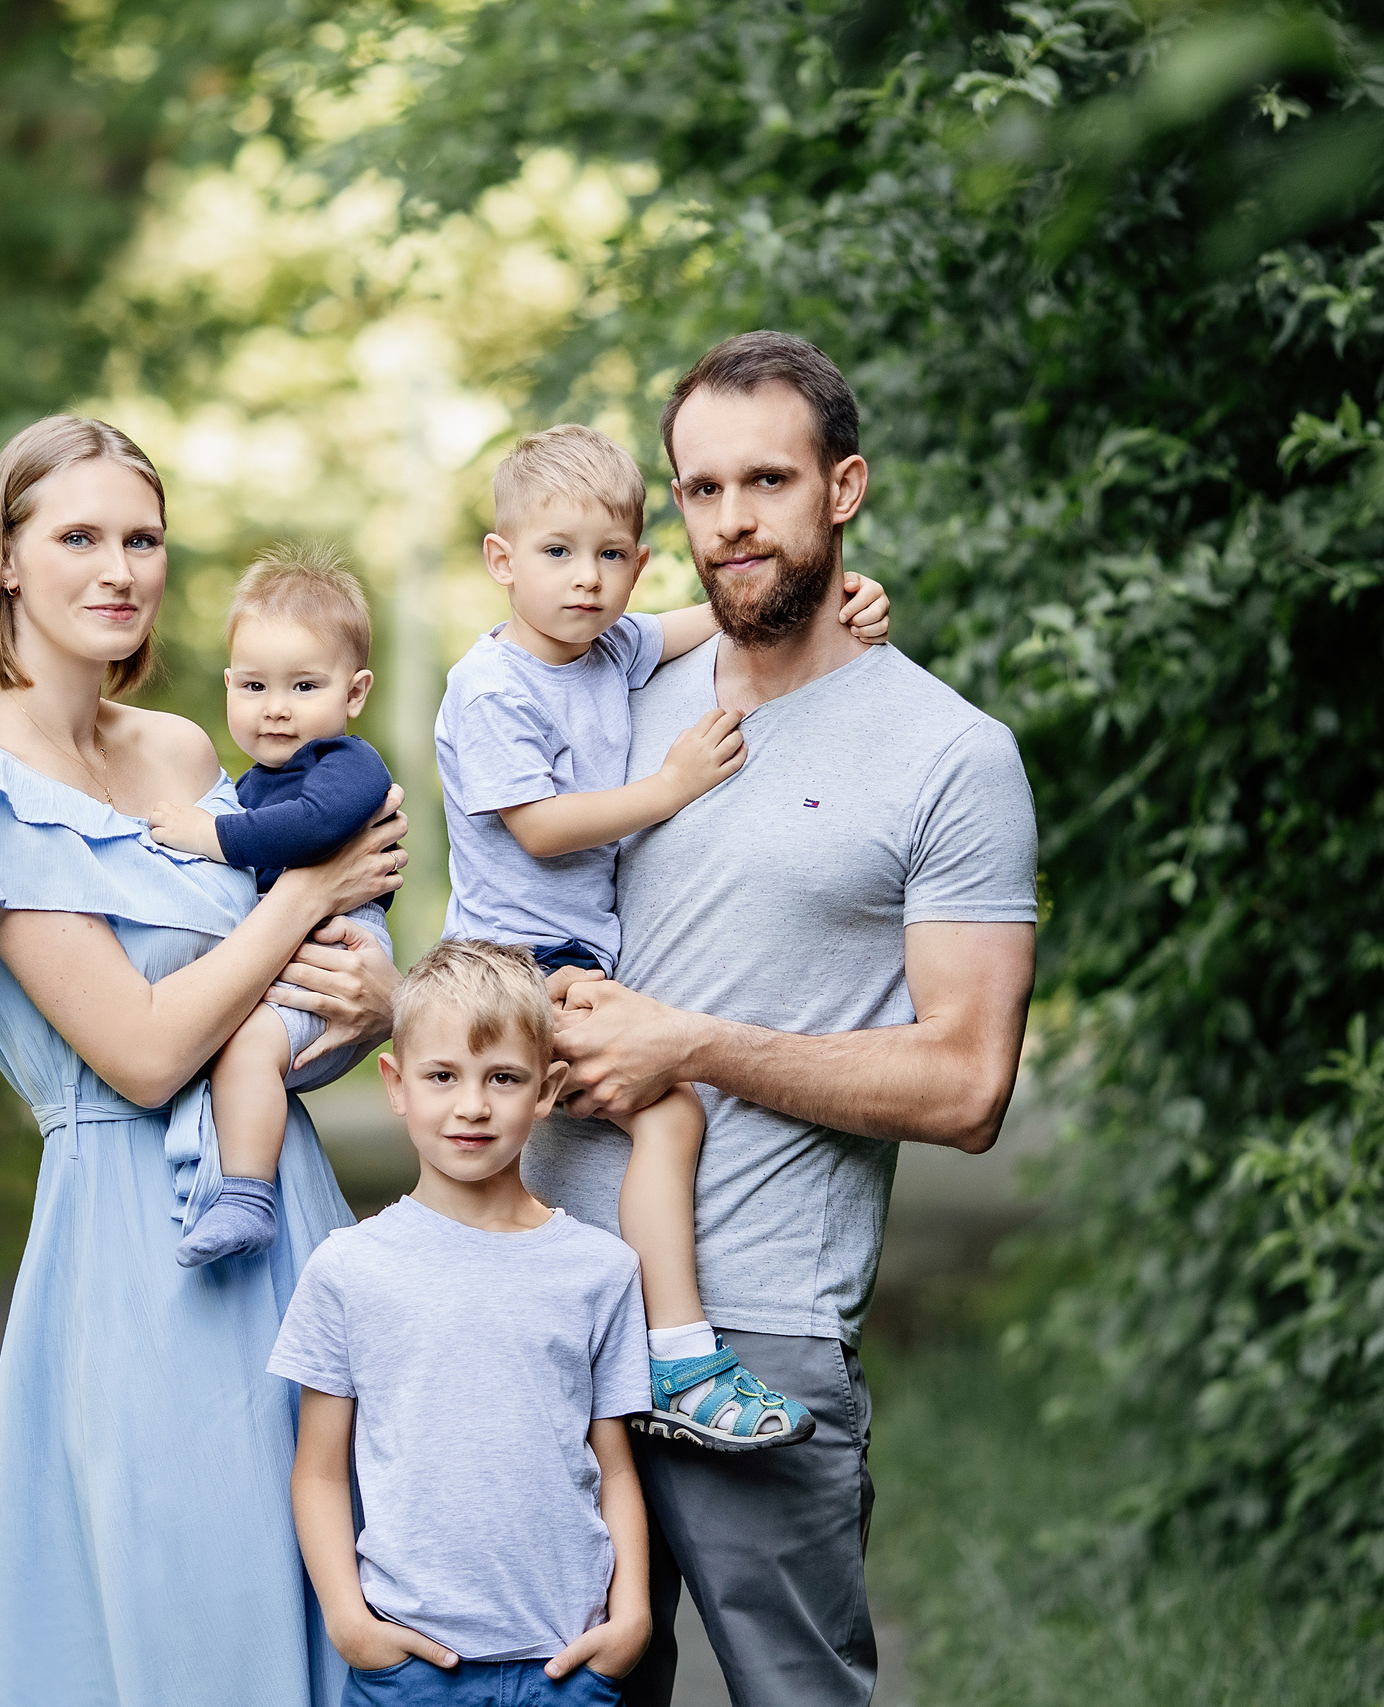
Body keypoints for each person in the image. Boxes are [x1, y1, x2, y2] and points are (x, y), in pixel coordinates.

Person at [523, 333, 1041, 1706]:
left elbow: (969, 1081)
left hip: (760, 1332)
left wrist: (686, 1043)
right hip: (544, 1312)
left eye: (767, 479)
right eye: (699, 489)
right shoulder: (605, 700)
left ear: (845, 486)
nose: (733, 519)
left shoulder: (951, 756)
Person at [0, 415, 407, 1707]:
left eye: (143, 538)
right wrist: (305, 897)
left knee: (350, 1615)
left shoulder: (180, 748)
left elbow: (265, 1020)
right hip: (140, 1252)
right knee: (195, 1628)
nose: (119, 567)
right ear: (5, 562)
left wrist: (369, 999)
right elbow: (148, 1048)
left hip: (293, 1211)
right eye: (78, 537)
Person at [433, 424, 891, 1450]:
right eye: (555, 554)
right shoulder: (493, 686)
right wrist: (668, 788)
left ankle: (570, 1329)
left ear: (637, 566)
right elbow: (540, 826)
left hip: (567, 961)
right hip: (513, 964)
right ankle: (680, 1355)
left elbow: (712, 626)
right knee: (668, 1112)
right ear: (501, 560)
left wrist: (843, 597)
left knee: (583, 1124)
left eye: (610, 558)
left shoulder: (610, 647)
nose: (585, 582)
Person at [272, 939, 653, 1704]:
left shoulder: (600, 1268)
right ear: (397, 1083)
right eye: (442, 1075)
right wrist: (350, 1623)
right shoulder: (350, 1267)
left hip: (566, 1663)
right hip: (410, 1664)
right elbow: (317, 1469)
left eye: (503, 1077)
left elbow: (613, 1462)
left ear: (546, 1090)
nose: (472, 1105)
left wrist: (633, 1616)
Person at [146, 544, 396, 1268]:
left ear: (353, 694)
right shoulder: (251, 783)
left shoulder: (346, 766)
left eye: (303, 686)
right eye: (253, 685)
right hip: (289, 953)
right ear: (228, 685)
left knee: (248, 1044)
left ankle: (248, 1198)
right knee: (222, 1039)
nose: (275, 708)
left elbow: (311, 830)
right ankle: (219, 1178)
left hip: (337, 953)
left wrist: (206, 834)